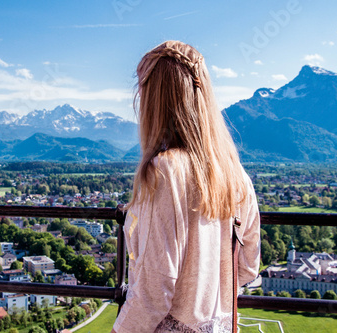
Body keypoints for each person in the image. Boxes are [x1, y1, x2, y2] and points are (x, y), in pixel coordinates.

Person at [112, 41, 260, 333]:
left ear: (154, 101)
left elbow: (152, 291)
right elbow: (247, 267)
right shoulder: (235, 174)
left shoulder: (165, 172)